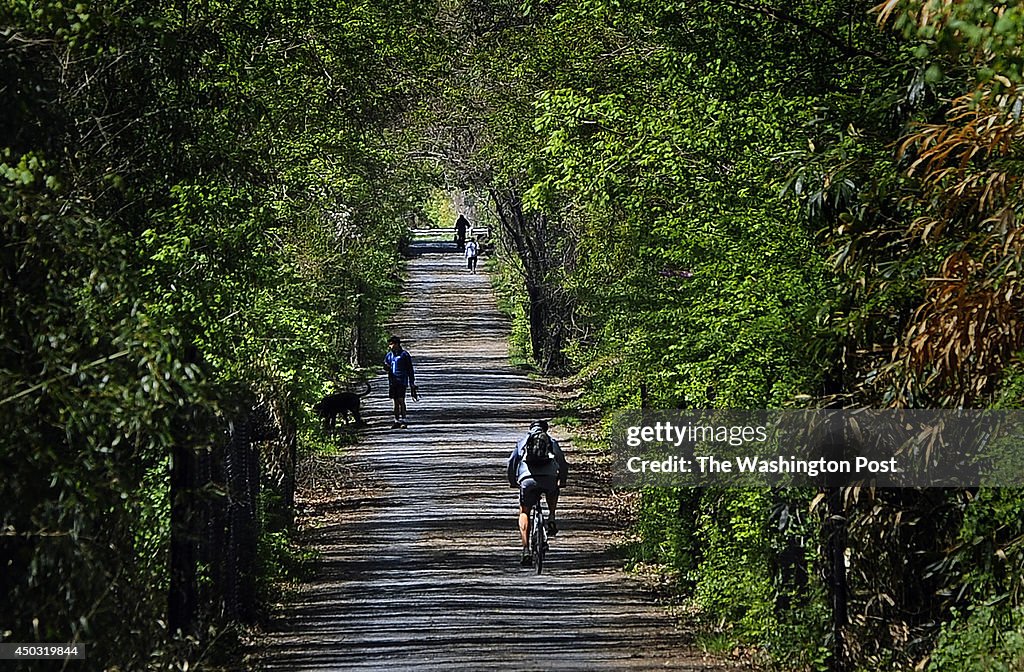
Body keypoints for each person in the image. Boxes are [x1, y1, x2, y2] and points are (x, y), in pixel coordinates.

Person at [507, 420, 568, 566]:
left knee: (524, 512)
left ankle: (525, 549)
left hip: (527, 479)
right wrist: (562, 480)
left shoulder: (523, 441)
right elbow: (562, 462)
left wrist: (513, 481)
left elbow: (512, 462)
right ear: (545, 430)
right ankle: (551, 517)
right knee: (553, 490)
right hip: (549, 478)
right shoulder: (551, 441)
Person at [384, 335, 417, 428]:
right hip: (392, 381)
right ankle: (396, 420)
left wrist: (412, 382)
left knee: (401, 400)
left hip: (402, 380)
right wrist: (386, 367)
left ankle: (403, 420)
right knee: (395, 401)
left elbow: (410, 369)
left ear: (397, 344)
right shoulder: (389, 355)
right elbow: (385, 366)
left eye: (391, 344)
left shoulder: (404, 355)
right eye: (389, 344)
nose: (390, 346)